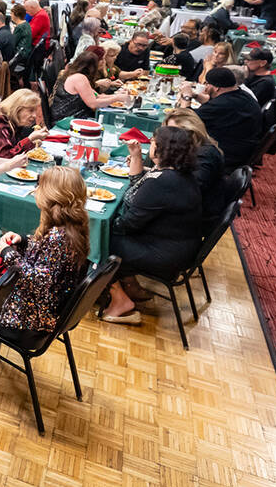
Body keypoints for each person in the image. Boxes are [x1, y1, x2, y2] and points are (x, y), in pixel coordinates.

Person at [0, 165, 89, 336]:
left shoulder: (58, 237)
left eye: (40, 186)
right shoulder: (71, 226)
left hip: (29, 316)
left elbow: (38, 282)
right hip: (42, 304)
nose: (36, 190)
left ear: (51, 196)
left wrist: (7, 253)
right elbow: (47, 258)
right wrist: (23, 239)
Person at [101, 126, 203, 325]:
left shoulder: (163, 182)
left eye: (153, 142)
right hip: (178, 246)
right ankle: (128, 284)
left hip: (164, 254)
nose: (151, 145)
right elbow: (138, 189)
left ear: (162, 149)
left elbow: (129, 223)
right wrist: (136, 157)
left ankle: (119, 300)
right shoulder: (178, 174)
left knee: (96, 238)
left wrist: (104, 222)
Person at [176, 67, 260, 171]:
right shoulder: (242, 95)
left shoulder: (222, 104)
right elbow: (212, 103)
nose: (205, 88)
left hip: (225, 155)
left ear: (216, 88)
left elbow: (184, 119)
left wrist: (186, 97)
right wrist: (195, 95)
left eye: (207, 84)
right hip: (243, 149)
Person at [162, 108, 226, 228]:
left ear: (192, 132)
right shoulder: (196, 147)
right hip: (190, 208)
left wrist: (159, 166)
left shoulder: (206, 154)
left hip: (194, 219)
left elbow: (188, 189)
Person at [49, 51, 132, 121]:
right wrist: (116, 98)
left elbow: (97, 96)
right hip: (67, 119)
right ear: (92, 67)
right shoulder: (79, 78)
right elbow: (93, 104)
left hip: (63, 115)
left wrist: (118, 96)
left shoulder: (72, 74)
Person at [0, 88, 49, 157]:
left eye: (35, 111)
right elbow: (6, 155)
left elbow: (15, 147)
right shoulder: (0, 121)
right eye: (31, 110)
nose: (34, 115)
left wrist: (32, 143)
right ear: (17, 109)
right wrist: (30, 139)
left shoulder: (16, 123)